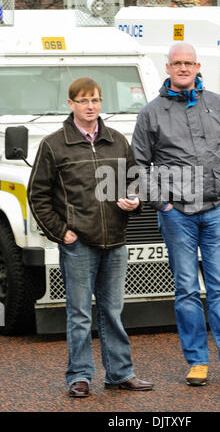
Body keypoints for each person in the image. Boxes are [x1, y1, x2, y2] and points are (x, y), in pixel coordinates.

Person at [131, 43, 220, 387]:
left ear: (197, 66)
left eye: (188, 62)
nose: (183, 68)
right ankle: (197, 362)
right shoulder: (151, 112)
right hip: (177, 214)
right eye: (177, 63)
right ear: (167, 67)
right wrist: (162, 204)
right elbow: (138, 165)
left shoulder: (218, 104)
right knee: (187, 289)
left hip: (216, 212)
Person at [28, 77, 153, 397]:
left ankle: (120, 374)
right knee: (80, 314)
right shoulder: (54, 145)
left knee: (112, 312)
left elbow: (135, 179)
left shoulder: (117, 140)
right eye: (83, 101)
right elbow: (37, 195)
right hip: (78, 243)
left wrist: (134, 199)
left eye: (95, 100)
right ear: (70, 105)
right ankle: (79, 376)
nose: (90, 106)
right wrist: (62, 233)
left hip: (115, 241)